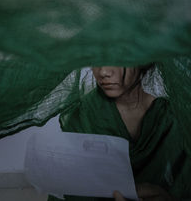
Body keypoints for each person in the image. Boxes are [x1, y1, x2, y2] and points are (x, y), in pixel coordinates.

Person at [48, 66, 191, 201]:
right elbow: (73, 189)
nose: (103, 71)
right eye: (96, 58)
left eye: (117, 59)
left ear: (143, 59)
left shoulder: (174, 120)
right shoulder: (82, 117)